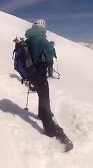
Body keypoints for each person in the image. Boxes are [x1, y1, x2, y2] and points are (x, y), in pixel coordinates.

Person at [25, 19, 72, 149]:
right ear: (43, 29)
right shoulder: (42, 39)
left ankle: (42, 114)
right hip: (39, 73)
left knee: (42, 94)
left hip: (31, 73)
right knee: (45, 96)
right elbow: (49, 54)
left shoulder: (30, 38)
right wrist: (50, 45)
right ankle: (51, 130)